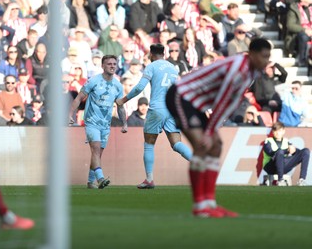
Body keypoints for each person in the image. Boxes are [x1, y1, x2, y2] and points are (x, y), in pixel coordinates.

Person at [165, 38, 272, 217]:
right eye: (264, 56)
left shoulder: (252, 73)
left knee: (216, 145)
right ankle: (200, 206)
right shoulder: (238, 68)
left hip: (196, 102)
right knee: (203, 144)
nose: (266, 61)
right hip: (181, 95)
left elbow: (234, 101)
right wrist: (209, 131)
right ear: (252, 54)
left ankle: (210, 203)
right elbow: (223, 100)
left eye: (268, 57)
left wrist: (213, 129)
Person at [116, 44, 192, 189]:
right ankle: (198, 163)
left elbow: (139, 87)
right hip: (172, 109)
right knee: (176, 143)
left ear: (151, 54)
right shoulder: (173, 68)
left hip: (157, 108)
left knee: (149, 145)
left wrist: (123, 100)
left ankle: (149, 179)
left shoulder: (151, 66)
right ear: (164, 53)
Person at [69, 55, 128, 189]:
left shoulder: (118, 86)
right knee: (95, 150)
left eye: (114, 64)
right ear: (102, 66)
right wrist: (70, 114)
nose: (112, 66)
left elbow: (120, 106)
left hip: (105, 124)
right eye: (109, 64)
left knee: (98, 154)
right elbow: (79, 98)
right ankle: (100, 178)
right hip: (91, 121)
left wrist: (124, 123)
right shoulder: (93, 81)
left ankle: (90, 182)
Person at [263, 122, 310, 186]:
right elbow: (270, 152)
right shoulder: (268, 141)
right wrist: (287, 150)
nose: (277, 133)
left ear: (283, 131)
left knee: (305, 151)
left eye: (279, 130)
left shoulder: (286, 141)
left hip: (283, 166)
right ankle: (280, 180)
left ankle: (302, 180)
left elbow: (294, 152)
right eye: (275, 130)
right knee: (280, 152)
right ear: (273, 131)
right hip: (271, 166)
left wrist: (294, 150)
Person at [286, 0, 312, 66]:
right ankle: (302, 60)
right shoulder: (294, 8)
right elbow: (290, 25)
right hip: (296, 37)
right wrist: (305, 30)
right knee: (303, 36)